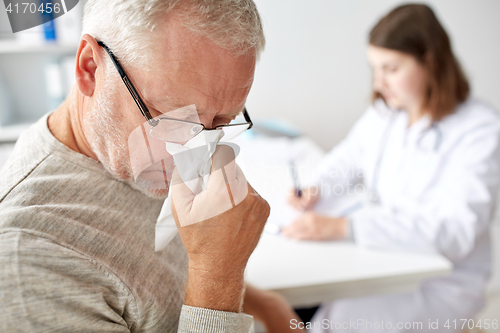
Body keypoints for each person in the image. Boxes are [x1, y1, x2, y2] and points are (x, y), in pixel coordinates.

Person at [0, 0, 304, 332]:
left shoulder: (121, 149)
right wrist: (217, 275)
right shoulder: (27, 261)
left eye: (223, 120)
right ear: (90, 68)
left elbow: (164, 277)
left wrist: (267, 305)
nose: (196, 150)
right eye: (174, 120)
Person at [286, 4, 500, 332]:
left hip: (442, 279)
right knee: (308, 297)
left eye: (391, 69)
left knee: (341, 321)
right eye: (375, 69)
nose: (379, 82)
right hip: (389, 255)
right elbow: (346, 158)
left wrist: (345, 227)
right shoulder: (387, 112)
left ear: (430, 61)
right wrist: (316, 187)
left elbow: (455, 231)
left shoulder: (480, 129)